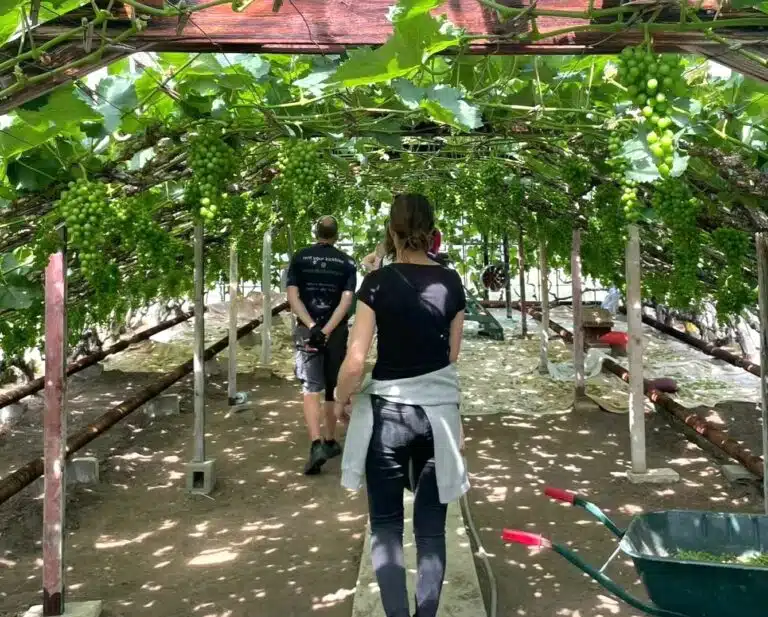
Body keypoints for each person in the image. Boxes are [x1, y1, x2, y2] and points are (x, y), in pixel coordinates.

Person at [334, 194, 467, 617]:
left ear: (392, 231)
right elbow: (451, 355)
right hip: (437, 417)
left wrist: (340, 398)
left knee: (387, 525)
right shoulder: (452, 282)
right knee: (430, 531)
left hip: (388, 417)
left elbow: (355, 361)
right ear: (432, 231)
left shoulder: (376, 283)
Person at [286, 215, 357, 475]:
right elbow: (346, 301)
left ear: (316, 233)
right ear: (336, 235)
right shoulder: (346, 262)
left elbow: (293, 297)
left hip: (308, 331)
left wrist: (312, 326)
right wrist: (327, 330)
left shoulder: (300, 258)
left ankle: (316, 443)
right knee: (330, 386)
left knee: (310, 386)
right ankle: (329, 439)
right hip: (335, 332)